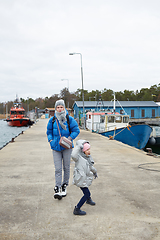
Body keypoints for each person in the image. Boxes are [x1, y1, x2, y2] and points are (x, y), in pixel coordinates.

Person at [46, 99, 80, 200]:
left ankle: (64, 186)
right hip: (56, 147)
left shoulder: (69, 119)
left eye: (61, 107)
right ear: (56, 108)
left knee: (66, 167)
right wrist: (51, 140)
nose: (60, 109)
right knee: (57, 169)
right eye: (58, 107)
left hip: (67, 147)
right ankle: (57, 187)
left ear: (64, 108)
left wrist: (69, 139)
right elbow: (49, 132)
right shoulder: (52, 120)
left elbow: (76, 130)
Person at [71, 139, 98, 215]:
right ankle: (77, 209)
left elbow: (90, 167)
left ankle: (88, 200)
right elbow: (73, 155)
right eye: (87, 150)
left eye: (89, 149)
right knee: (87, 193)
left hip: (84, 178)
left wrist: (95, 171)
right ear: (82, 150)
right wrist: (78, 147)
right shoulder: (78, 158)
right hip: (80, 178)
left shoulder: (87, 158)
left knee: (86, 189)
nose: (89, 151)